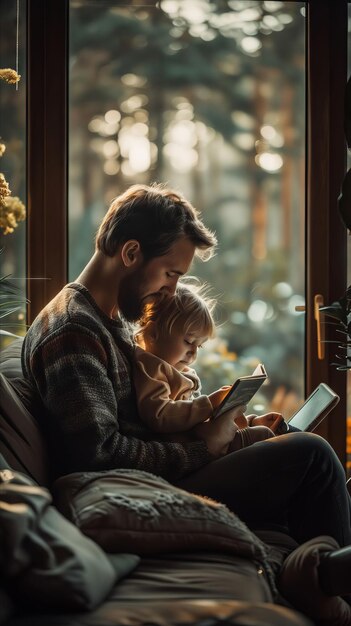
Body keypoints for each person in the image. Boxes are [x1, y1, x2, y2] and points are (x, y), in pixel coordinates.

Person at [22, 183, 351, 566]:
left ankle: (321, 569)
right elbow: (99, 459)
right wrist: (205, 448)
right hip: (141, 489)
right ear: (131, 253)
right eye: (169, 274)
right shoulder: (73, 333)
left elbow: (145, 414)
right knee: (312, 454)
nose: (170, 291)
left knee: (286, 444)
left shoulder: (111, 317)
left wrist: (215, 426)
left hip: (161, 473)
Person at [133, 279, 280, 449]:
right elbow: (161, 416)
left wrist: (240, 417)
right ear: (153, 334)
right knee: (266, 437)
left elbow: (192, 418)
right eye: (189, 341)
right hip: (191, 448)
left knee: (265, 433)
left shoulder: (177, 370)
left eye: (199, 345)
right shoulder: (150, 368)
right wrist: (209, 404)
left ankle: (248, 424)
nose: (194, 352)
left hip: (200, 437)